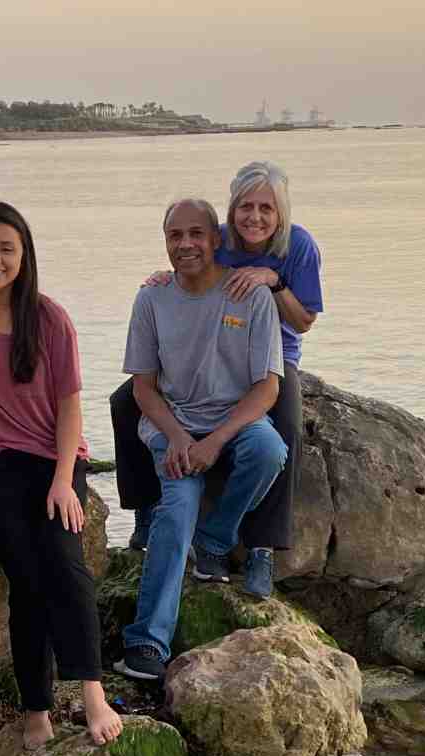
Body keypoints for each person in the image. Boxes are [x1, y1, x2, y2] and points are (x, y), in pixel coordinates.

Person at [114, 161, 324, 598]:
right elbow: (191, 262)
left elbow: (304, 321)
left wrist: (274, 281)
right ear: (231, 211)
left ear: (281, 213)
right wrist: (161, 278)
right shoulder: (222, 238)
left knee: (281, 430)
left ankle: (262, 545)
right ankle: (144, 511)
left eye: (266, 207)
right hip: (219, 348)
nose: (255, 217)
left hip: (274, 354)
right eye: (245, 206)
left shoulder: (298, 245)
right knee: (124, 402)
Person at [0, 200, 123, 749]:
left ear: (25, 254)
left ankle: (93, 691)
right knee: (27, 581)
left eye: (7, 248)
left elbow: (70, 402)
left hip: (54, 459)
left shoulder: (48, 317)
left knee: (65, 563)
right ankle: (36, 709)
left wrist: (62, 477)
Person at [114, 198, 288, 681]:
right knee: (177, 508)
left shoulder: (247, 296)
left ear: (215, 239)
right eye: (175, 236)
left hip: (232, 422)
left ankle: (214, 541)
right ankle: (147, 641)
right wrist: (176, 438)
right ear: (166, 242)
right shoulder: (152, 298)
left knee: (269, 449)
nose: (185, 244)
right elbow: (143, 387)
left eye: (196, 234)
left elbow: (267, 387)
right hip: (173, 425)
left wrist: (216, 441)